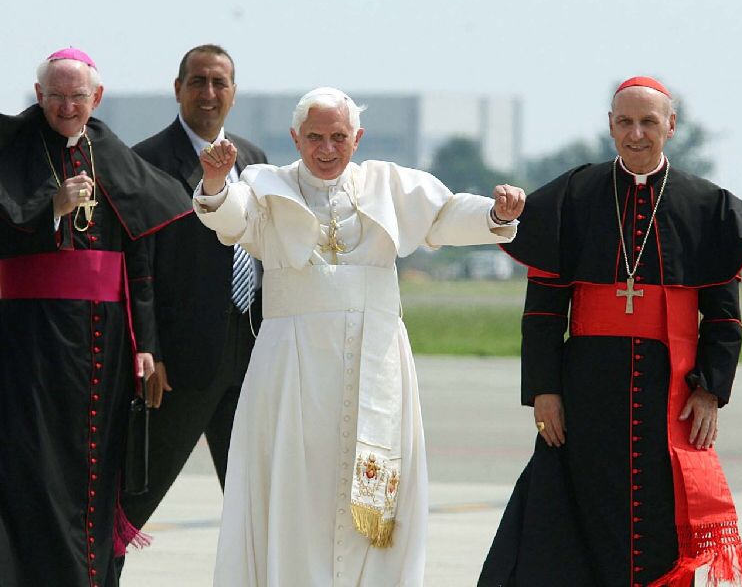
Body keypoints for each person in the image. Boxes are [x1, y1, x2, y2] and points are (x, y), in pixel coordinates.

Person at [193, 87, 525, 586]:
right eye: (314, 138)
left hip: (378, 356)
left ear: (358, 137)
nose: (326, 149)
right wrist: (216, 183)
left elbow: (443, 216)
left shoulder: (388, 184)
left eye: (338, 137)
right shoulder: (266, 185)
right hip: (293, 364)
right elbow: (231, 217)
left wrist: (497, 215)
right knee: (297, 487)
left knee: (376, 493)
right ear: (294, 138)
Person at [479, 76, 742, 587]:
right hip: (585, 391)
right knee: (570, 520)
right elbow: (544, 309)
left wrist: (709, 391)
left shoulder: (708, 206)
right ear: (610, 126)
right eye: (625, 122)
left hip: (669, 392)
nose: (636, 134)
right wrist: (544, 390)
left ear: (671, 127)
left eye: (649, 122)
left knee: (662, 519)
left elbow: (724, 317)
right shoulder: (574, 194)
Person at [0, 48, 192, 587]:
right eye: (56, 96)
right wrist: (49, 209)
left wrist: (146, 345)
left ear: (96, 98)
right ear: (39, 96)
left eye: (77, 96)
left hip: (104, 347)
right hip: (30, 343)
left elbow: (140, 260)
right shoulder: (12, 151)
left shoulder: (110, 153)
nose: (67, 106)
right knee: (36, 469)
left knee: (96, 469)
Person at [120, 44, 268, 536]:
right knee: (135, 498)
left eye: (219, 83)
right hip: (178, 366)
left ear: (233, 92)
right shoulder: (145, 160)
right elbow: (137, 263)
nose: (209, 93)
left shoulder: (253, 159)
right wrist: (149, 349)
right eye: (198, 82)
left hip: (248, 357)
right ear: (178, 89)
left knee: (256, 505)